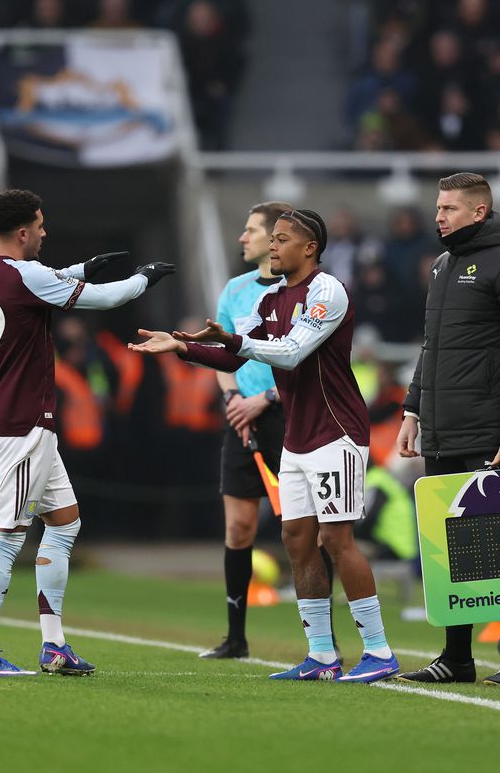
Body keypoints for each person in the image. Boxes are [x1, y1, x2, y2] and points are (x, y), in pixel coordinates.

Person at [130, 208, 399, 683]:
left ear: (309, 247)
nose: (272, 247)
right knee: (296, 540)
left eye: (281, 239)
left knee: (335, 539)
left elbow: (292, 352)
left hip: (336, 432)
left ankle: (378, 651)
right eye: (270, 239)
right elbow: (238, 350)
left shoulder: (326, 291)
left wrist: (236, 341)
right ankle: (320, 656)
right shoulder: (273, 297)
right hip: (298, 435)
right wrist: (183, 348)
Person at [0, 189, 175, 677]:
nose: (44, 232)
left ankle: (54, 645)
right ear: (22, 232)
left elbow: (37, 283)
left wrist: (83, 267)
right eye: (39, 225)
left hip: (14, 417)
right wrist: (142, 279)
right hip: (21, 424)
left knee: (64, 522)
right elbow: (104, 299)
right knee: (6, 536)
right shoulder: (28, 276)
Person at [394, 172, 500, 687]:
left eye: (450, 209)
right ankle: (456, 657)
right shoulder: (441, 265)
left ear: (479, 212)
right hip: (441, 427)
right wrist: (413, 409)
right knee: (450, 549)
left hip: (488, 430)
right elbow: (431, 348)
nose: (439, 216)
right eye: (438, 208)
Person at [199, 199, 307, 660]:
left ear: (275, 238)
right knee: (239, 527)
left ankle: (321, 641)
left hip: (288, 416)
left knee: (302, 531)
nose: (242, 238)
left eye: (251, 230)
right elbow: (223, 354)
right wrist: (232, 399)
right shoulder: (236, 289)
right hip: (241, 417)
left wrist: (265, 398)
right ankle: (236, 637)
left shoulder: (303, 291)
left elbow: (303, 356)